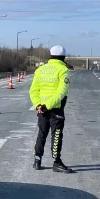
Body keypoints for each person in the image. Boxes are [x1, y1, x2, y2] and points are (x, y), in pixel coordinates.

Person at [29, 45, 74, 173]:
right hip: (55, 109)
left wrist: (38, 105)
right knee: (56, 135)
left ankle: (37, 160)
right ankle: (56, 162)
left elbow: (33, 90)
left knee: (42, 134)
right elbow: (61, 92)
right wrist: (47, 106)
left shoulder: (40, 70)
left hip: (41, 109)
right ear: (63, 57)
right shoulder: (63, 70)